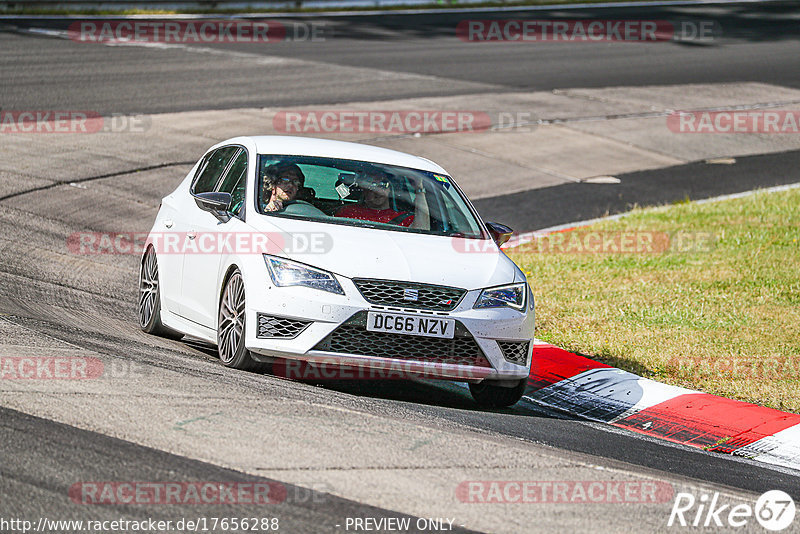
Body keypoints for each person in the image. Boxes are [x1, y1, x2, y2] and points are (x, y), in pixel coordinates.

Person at [335, 171, 430, 230]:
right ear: (363, 190)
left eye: (382, 186)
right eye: (372, 187)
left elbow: (422, 229)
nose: (378, 192)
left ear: (389, 190)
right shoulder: (347, 212)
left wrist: (419, 189)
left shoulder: (405, 218)